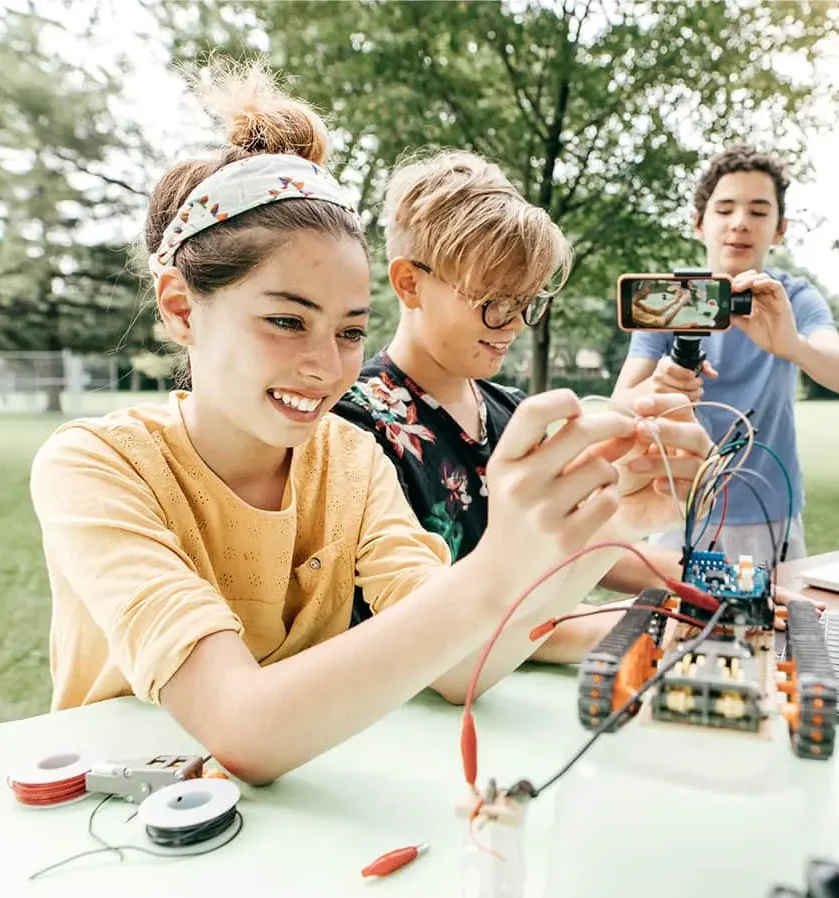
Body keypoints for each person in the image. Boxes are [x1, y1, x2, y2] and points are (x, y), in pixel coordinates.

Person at [29, 62, 711, 787]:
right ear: (179, 307)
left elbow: (460, 666)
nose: (327, 367)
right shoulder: (96, 465)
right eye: (287, 320)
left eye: (351, 331)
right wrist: (501, 565)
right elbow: (242, 728)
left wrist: (592, 528)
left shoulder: (349, 457)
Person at [333, 149, 723, 662]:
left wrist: (719, 592)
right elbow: (444, 632)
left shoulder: (510, 411)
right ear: (409, 283)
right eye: (494, 301)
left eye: (527, 301)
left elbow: (576, 554)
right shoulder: (353, 426)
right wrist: (660, 625)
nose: (515, 324)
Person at [612, 145, 839, 564]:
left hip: (771, 512)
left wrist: (792, 344)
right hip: (680, 506)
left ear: (780, 229)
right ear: (699, 223)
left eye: (758, 211)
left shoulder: (793, 297)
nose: (740, 222)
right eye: (724, 209)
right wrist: (656, 387)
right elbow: (619, 404)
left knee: (778, 608)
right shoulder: (668, 298)